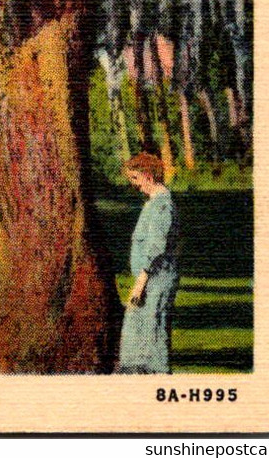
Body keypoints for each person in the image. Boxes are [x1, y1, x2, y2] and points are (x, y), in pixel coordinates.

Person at [119, 152, 180, 373]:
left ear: (148, 176)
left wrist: (140, 282)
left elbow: (156, 247)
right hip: (148, 280)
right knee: (140, 326)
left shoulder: (162, 205)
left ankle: (156, 377)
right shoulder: (153, 203)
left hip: (156, 279)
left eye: (135, 179)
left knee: (154, 329)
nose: (133, 185)